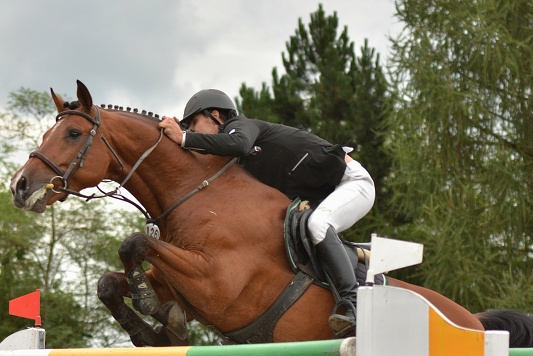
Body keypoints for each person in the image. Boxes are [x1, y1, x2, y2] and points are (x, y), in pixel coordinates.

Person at [159, 89, 375, 336]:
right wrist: (170, 135)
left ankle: (352, 304)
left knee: (318, 225)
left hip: (352, 183)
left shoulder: (242, 128)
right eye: (189, 127)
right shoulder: (232, 158)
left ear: (216, 115)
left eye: (195, 123)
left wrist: (184, 138)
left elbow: (238, 144)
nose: (193, 130)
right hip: (323, 196)